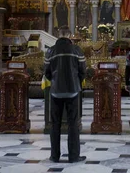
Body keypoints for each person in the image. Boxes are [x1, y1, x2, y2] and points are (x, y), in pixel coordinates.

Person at [44, 26, 86, 163]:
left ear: (58, 35)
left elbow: (47, 72)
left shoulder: (50, 51)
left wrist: (55, 82)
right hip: (73, 91)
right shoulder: (76, 50)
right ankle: (73, 156)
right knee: (73, 124)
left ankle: (54, 156)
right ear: (69, 35)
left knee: (54, 124)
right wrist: (76, 82)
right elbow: (82, 71)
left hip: (56, 92)